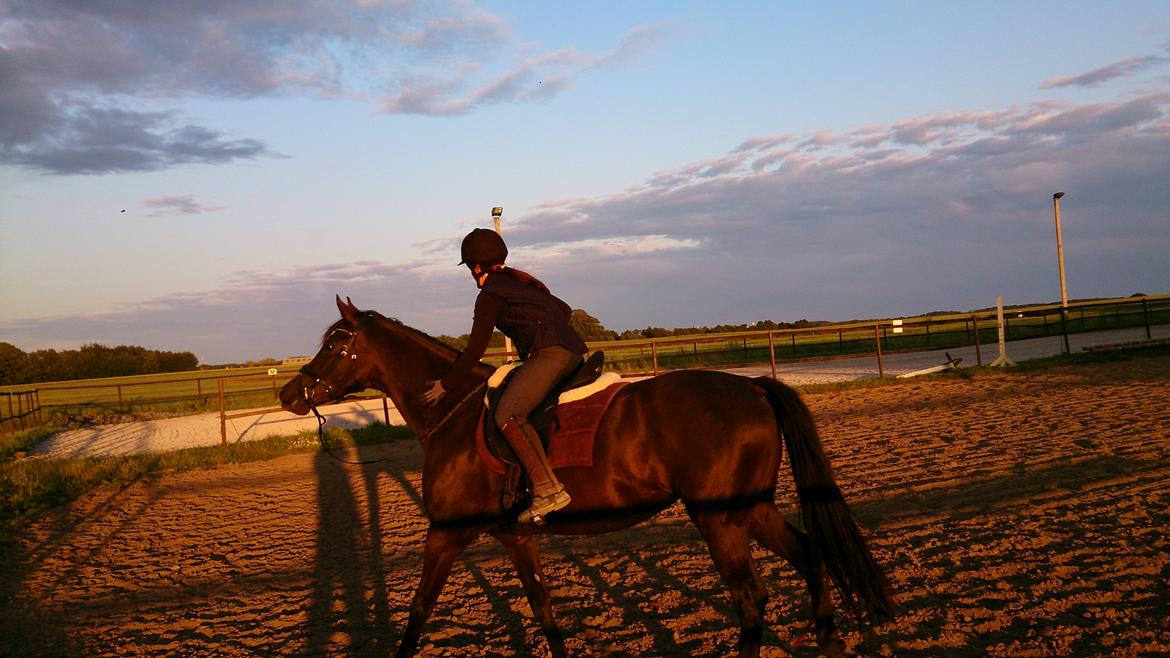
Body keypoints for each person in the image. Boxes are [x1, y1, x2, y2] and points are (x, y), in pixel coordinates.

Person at [423, 228, 587, 524]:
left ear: (475, 267)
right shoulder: (522, 283)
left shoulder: (491, 295)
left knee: (507, 414)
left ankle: (548, 489)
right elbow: (563, 309)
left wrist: (445, 384)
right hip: (573, 353)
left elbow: (475, 350)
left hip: (550, 355)